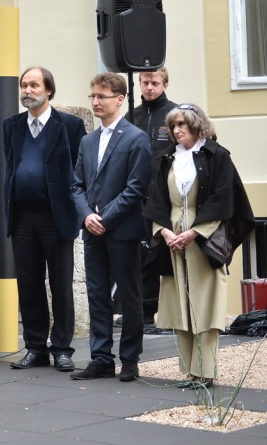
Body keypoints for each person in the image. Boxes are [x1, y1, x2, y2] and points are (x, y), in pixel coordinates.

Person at [143, 104, 255, 387]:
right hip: (172, 238)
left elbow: (223, 198)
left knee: (205, 306)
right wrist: (164, 232)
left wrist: (195, 232)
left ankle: (205, 372)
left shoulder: (218, 156)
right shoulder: (167, 157)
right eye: (173, 125)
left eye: (182, 124)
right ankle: (190, 372)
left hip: (205, 235)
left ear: (197, 125)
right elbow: (155, 198)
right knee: (180, 307)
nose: (176, 130)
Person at [3, 67, 86, 372]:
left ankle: (62, 348)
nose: (27, 90)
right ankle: (35, 347)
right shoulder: (12, 125)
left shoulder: (70, 125)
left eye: (34, 85)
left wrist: (79, 210)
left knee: (61, 285)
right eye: (24, 85)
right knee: (28, 284)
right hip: (22, 217)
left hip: (56, 217)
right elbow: (12, 167)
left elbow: (80, 171)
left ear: (48, 90)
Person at [70, 72, 151, 382]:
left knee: (129, 295)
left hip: (123, 229)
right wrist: (86, 216)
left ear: (119, 99)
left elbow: (136, 187)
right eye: (92, 96)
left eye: (101, 96)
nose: (95, 101)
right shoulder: (87, 141)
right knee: (97, 294)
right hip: (92, 230)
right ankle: (101, 357)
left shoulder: (135, 137)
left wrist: (105, 217)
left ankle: (129, 358)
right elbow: (77, 185)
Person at [128, 67, 179, 330]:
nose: (149, 87)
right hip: (137, 195)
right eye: (145, 82)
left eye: (155, 83)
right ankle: (145, 311)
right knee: (141, 253)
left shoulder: (175, 114)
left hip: (167, 195)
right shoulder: (131, 115)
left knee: (168, 251)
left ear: (165, 85)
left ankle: (174, 313)